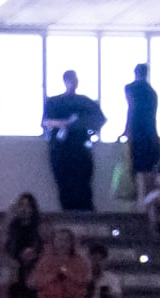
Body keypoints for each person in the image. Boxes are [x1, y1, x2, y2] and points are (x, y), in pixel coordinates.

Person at [42, 70, 105, 213]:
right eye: (71, 79)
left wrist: (83, 124)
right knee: (64, 185)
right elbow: (46, 121)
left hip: (80, 149)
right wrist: (64, 123)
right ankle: (68, 213)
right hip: (61, 149)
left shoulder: (84, 101)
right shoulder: (54, 102)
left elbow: (99, 120)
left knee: (83, 185)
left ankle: (86, 214)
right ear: (65, 80)